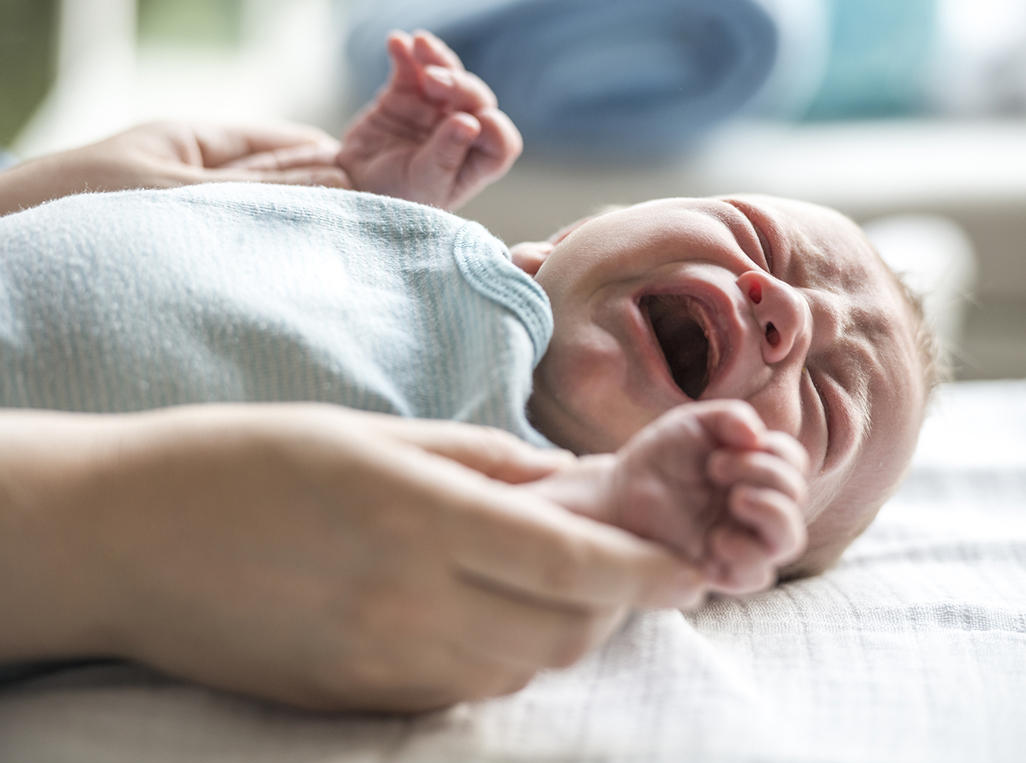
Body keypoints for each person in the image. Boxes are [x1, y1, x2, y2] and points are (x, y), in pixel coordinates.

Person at [0, 30, 932, 711]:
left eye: (823, 402)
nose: (790, 313)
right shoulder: (416, 235)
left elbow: (548, 567)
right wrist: (352, 199)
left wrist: (664, 523)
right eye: (759, 238)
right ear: (562, 239)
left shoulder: (519, 489)